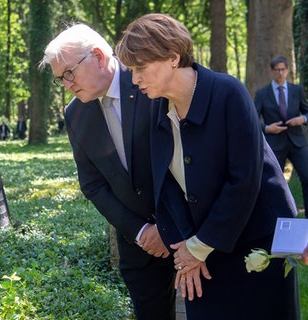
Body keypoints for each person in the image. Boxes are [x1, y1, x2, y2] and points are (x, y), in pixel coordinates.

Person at [117, 13, 299, 320]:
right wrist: (188, 248)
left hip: (263, 234)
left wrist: (199, 246)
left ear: (173, 57)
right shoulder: (155, 108)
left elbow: (244, 180)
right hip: (201, 245)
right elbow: (166, 186)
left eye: (140, 69)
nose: (135, 79)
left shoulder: (229, 93)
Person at [40, 24, 176, 320]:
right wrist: (142, 232)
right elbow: (93, 185)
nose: (66, 84)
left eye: (69, 73)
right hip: (139, 247)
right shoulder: (75, 113)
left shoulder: (150, 82)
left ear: (99, 57)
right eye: (60, 79)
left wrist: (167, 228)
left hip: (188, 230)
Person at [254, 56, 308, 216]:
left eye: (282, 70)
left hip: (297, 142)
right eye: (276, 70)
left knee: (307, 177)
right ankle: (279, 218)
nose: (279, 73)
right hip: (274, 144)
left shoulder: (296, 90)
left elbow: (307, 111)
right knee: (274, 183)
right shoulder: (262, 94)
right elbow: (252, 119)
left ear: (287, 70)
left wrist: (302, 119)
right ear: (271, 71)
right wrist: (268, 128)